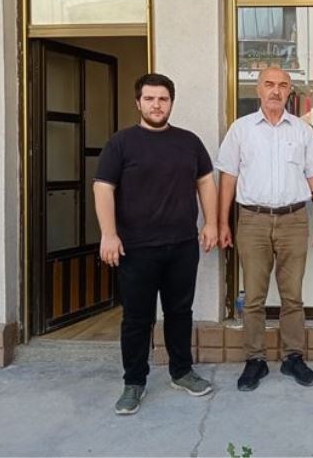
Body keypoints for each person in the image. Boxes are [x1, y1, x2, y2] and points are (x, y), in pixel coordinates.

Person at [94, 73, 218, 415]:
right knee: (137, 318)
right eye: (149, 99)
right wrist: (108, 234)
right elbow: (103, 187)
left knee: (180, 312)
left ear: (171, 102)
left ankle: (182, 371)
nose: (156, 105)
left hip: (182, 245)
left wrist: (210, 223)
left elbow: (205, 182)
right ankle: (134, 382)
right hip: (136, 248)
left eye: (163, 99)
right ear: (138, 103)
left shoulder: (189, 142)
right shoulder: (121, 143)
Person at [216, 66, 313, 391]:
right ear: (258, 89)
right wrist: (223, 222)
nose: (276, 91)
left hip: (294, 219)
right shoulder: (241, 130)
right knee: (254, 297)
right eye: (269, 84)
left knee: (292, 296)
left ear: (290, 90)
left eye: (282, 85)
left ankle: (293, 357)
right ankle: (255, 360)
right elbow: (228, 178)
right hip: (252, 220)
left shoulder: (303, 131)